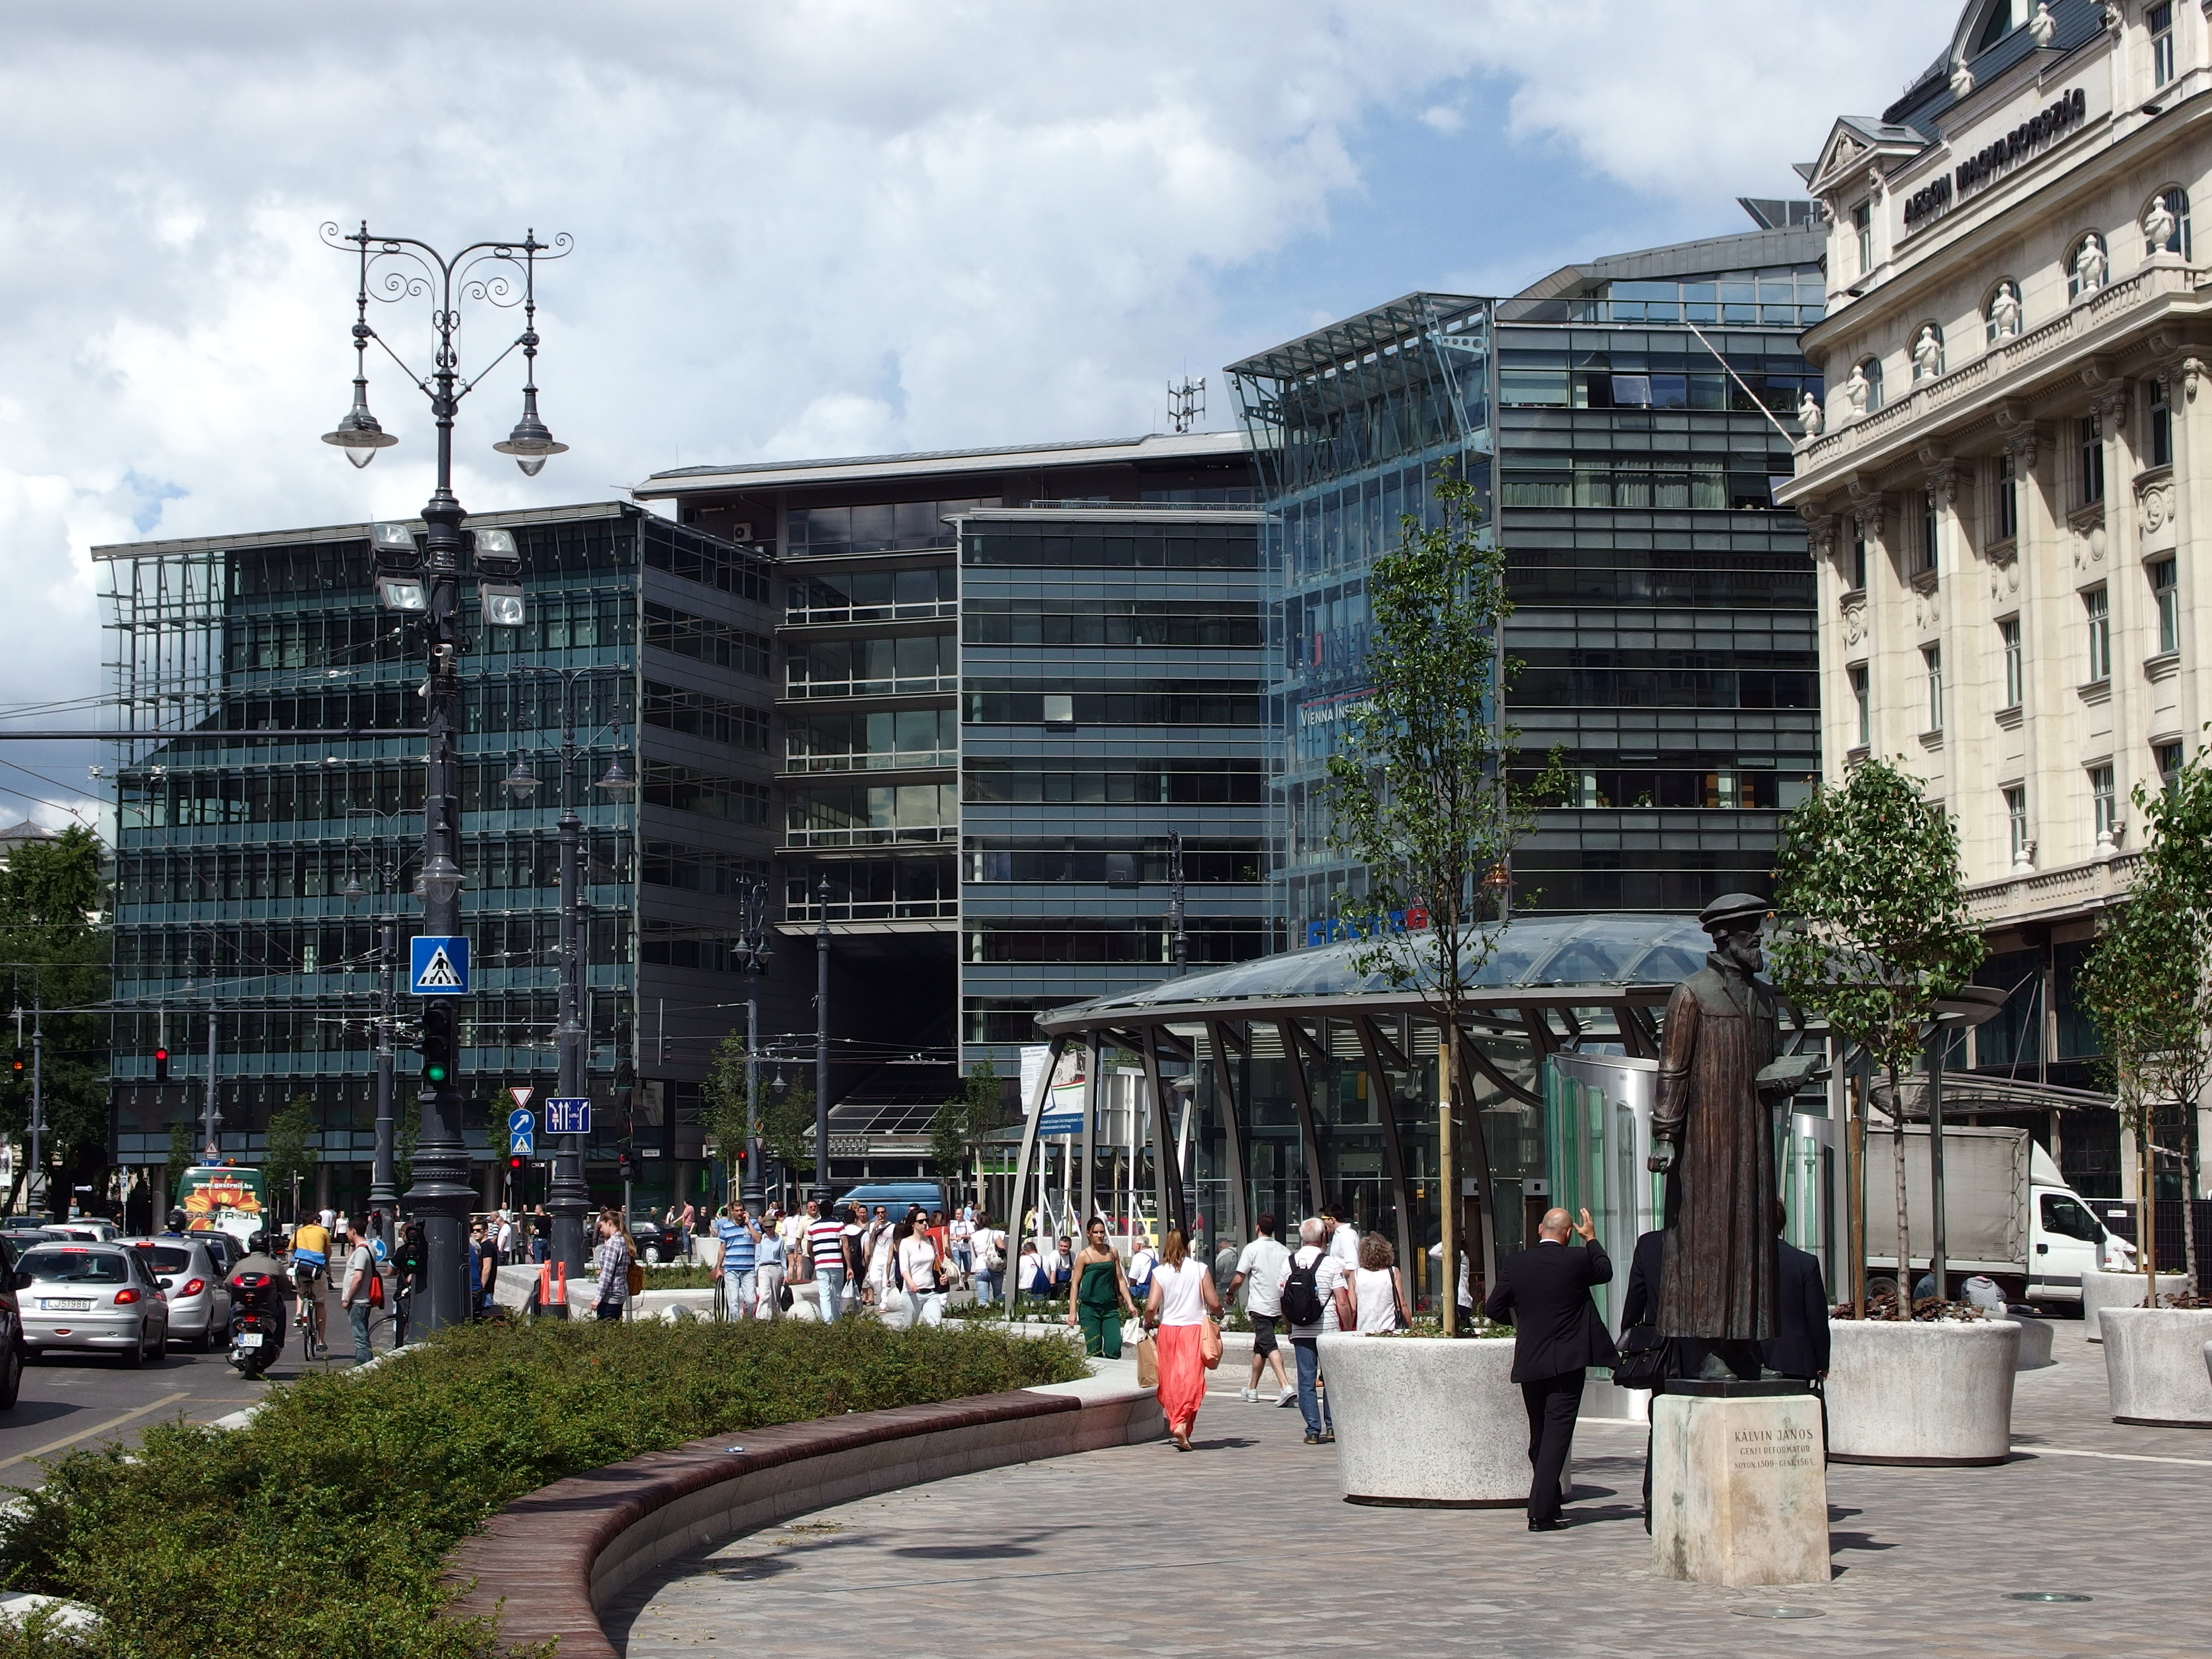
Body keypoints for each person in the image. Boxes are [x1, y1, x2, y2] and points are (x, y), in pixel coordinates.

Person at [1483, 1207, 1618, 1532]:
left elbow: (1493, 1308)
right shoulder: (1577, 1259)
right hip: (1568, 1362)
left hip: (1531, 1360)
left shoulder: (1517, 1263)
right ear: (1569, 1233)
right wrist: (1593, 1239)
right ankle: (1540, 1512)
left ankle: (1551, 1499)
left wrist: (1525, 1321)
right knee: (1557, 1435)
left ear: (1540, 1229)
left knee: (1540, 1434)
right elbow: (1605, 1270)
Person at [1143, 1226, 1221, 1452]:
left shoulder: (1161, 1272)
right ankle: (1182, 1423)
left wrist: (1148, 1323)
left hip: (1168, 1330)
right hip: (1193, 1330)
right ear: (1188, 1245)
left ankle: (1178, 1422)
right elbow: (1214, 1303)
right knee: (1191, 1380)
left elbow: (1151, 1306)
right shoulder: (1200, 1269)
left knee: (1170, 1379)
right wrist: (1221, 1313)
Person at [1279, 1218, 1338, 1443]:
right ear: (1324, 1237)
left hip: (1302, 1330)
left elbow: (1283, 1300)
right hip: (1329, 1330)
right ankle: (1332, 1427)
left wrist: (1290, 1326)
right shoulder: (1331, 1264)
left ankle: (1313, 1430)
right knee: (1331, 1380)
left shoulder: (1289, 1263)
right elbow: (1342, 1301)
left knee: (1306, 1381)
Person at [1226, 1214, 1294, 1405]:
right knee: (1261, 1348)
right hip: (1278, 1306)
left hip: (1260, 1306)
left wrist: (1229, 1293)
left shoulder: (1252, 1249)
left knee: (1270, 1345)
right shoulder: (1284, 1251)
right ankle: (1252, 1389)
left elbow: (1240, 1278)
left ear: (1257, 1228)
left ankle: (1285, 1386)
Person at [1762, 1202, 1832, 1386]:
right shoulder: (1806, 1263)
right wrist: (1822, 1361)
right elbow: (1817, 1317)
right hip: (1795, 1360)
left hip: (1752, 1361)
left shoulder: (1745, 1263)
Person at [1066, 1217, 1138, 1357]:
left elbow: (1121, 1279)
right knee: (1094, 1350)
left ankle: (1114, 1377)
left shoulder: (1112, 1253)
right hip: (1089, 1310)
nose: (1100, 1236)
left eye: (1102, 1232)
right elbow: (1075, 1284)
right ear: (1088, 1234)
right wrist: (1073, 1312)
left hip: (1110, 1309)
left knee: (1114, 1346)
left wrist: (1130, 1304)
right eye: (1096, 1233)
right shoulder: (1083, 1256)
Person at [1343, 1234, 1409, 1333]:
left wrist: (1347, 1330)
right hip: (1389, 1330)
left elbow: (1352, 1309)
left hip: (1364, 1330)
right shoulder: (1393, 1272)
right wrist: (1411, 1329)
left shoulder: (1355, 1275)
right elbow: (1402, 1305)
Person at [290, 1211, 333, 1355]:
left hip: (301, 1270)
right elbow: (328, 1254)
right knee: (320, 1303)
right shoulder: (323, 1231)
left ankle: (298, 1314)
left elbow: (291, 1250)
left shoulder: (297, 1233)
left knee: (300, 1291)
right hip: (317, 1272)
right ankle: (321, 1341)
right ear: (315, 1221)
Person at [339, 1220, 378, 1364]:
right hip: (362, 1299)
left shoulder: (362, 1251)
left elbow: (358, 1278)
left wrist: (348, 1298)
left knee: (360, 1337)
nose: (347, 1234)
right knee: (362, 1335)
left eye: (348, 1231)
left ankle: (364, 1367)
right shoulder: (367, 1247)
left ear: (353, 1231)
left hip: (358, 1301)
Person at [897, 1214, 944, 1326]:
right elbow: (904, 1268)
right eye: (921, 1221)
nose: (925, 1223)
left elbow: (938, 1263)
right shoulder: (905, 1243)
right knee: (909, 1329)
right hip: (912, 1293)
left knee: (936, 1326)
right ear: (913, 1224)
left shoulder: (931, 1240)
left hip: (931, 1292)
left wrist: (942, 1276)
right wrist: (911, 1283)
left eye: (926, 1220)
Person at [715, 1200, 759, 1322]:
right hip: (731, 1269)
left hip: (748, 1269)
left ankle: (748, 1322)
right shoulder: (726, 1227)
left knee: (751, 1301)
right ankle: (735, 1328)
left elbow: (758, 1239)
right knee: (733, 1301)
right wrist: (719, 1268)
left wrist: (749, 1223)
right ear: (732, 1212)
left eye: (741, 1211)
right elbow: (722, 1249)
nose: (739, 1213)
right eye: (737, 1211)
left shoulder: (753, 1224)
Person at [806, 1199, 847, 1323]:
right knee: (836, 1293)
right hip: (836, 1263)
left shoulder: (812, 1227)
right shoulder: (839, 1225)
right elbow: (845, 1245)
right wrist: (849, 1266)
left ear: (820, 1211)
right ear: (832, 1211)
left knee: (824, 1294)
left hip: (821, 1263)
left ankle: (827, 1321)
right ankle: (837, 1319)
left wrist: (815, 1260)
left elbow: (809, 1248)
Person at [392, 1220, 427, 1346]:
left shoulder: (403, 1250)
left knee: (403, 1319)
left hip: (405, 1291)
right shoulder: (420, 1249)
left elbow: (390, 1270)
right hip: (410, 1289)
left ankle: (401, 1345)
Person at [593, 1209, 632, 1322]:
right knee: (615, 1328)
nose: (601, 1230)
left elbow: (607, 1274)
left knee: (605, 1330)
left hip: (611, 1295)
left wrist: (598, 1299)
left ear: (609, 1223)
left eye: (602, 1226)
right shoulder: (622, 1240)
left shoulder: (613, 1243)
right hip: (621, 1291)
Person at [755, 1206, 788, 1320]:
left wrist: (786, 1275)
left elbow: (783, 1257)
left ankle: (775, 1319)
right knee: (764, 1295)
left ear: (774, 1226)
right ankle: (762, 1319)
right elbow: (757, 1257)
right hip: (763, 1269)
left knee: (775, 1297)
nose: (768, 1229)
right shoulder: (761, 1239)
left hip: (776, 1268)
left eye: (771, 1227)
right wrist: (756, 1273)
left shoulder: (779, 1239)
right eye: (766, 1227)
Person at [970, 1210, 1004, 1304]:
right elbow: (1002, 1248)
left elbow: (976, 1254)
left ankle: (983, 1316)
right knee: (998, 1296)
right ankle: (999, 1315)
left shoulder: (974, 1236)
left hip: (980, 1267)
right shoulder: (995, 1234)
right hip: (995, 1267)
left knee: (982, 1298)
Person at [1127, 1231, 1158, 1306]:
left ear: (1139, 1246)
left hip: (1143, 1289)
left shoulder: (1138, 1257)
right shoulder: (1156, 1255)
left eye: (1133, 1245)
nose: (1132, 1247)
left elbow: (1132, 1278)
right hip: (1155, 1288)